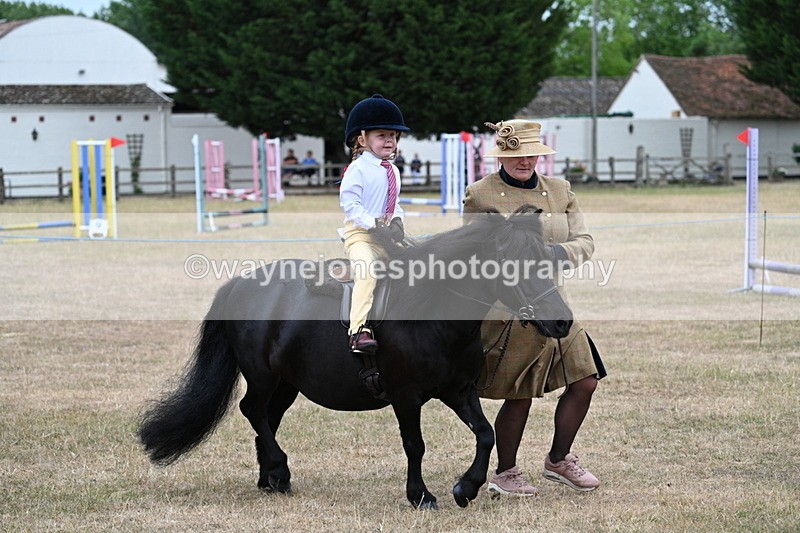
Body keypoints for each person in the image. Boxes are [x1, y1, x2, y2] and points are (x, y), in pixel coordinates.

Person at [462, 119, 606, 497]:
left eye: (530, 154)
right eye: (515, 154)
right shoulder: (479, 194)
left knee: (586, 380)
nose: (524, 161)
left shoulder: (561, 191)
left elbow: (585, 241)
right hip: (510, 309)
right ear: (502, 156)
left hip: (552, 300)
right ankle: (506, 472)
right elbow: (473, 251)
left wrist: (554, 253)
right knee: (521, 392)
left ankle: (559, 460)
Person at [338, 94, 410, 354]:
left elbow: (395, 202)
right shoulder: (357, 169)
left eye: (392, 135)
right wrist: (373, 224)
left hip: (387, 237)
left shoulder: (393, 170)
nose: (389, 140)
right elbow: (350, 206)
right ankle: (358, 331)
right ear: (362, 139)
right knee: (367, 273)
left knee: (417, 269)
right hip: (361, 236)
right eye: (381, 135)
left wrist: (398, 219)